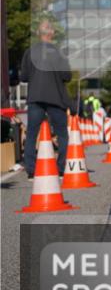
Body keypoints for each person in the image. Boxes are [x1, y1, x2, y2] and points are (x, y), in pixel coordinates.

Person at [19, 20, 72, 178]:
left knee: (32, 134)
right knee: (62, 133)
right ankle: (61, 169)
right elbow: (66, 76)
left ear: (38, 34)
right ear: (52, 33)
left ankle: (31, 170)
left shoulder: (29, 52)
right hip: (55, 98)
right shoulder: (59, 53)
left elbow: (24, 77)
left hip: (35, 97)